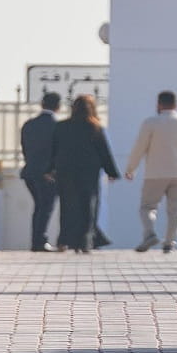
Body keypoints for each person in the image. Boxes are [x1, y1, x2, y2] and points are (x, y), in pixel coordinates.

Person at [122, 90, 177, 254]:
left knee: (147, 207)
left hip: (155, 172)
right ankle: (169, 242)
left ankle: (150, 234)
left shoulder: (150, 123)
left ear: (158, 104)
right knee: (176, 210)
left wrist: (131, 168)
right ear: (176, 105)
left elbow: (140, 147)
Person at [48, 94, 120, 253]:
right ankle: (85, 242)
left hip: (65, 172)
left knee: (67, 207)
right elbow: (104, 152)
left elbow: (53, 150)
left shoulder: (61, 126)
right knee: (89, 207)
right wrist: (112, 172)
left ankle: (63, 241)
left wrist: (49, 169)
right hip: (89, 173)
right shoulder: (95, 127)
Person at [19, 93, 61, 252]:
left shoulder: (29, 124)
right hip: (48, 174)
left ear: (42, 104)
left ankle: (37, 240)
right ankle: (39, 241)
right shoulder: (57, 126)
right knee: (46, 207)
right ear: (58, 107)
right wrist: (51, 170)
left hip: (30, 172)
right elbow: (57, 152)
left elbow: (25, 149)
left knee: (39, 207)